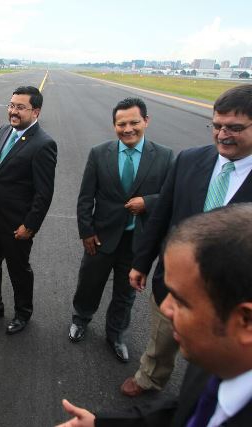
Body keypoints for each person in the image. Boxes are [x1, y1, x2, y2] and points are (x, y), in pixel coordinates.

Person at [57, 203, 252, 427]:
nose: (165, 307)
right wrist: (99, 424)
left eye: (180, 300)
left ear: (245, 321)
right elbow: (185, 410)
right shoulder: (215, 361)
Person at [120, 84, 252, 397]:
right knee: (162, 337)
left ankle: (207, 397)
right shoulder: (189, 160)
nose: (222, 135)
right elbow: (161, 215)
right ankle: (150, 376)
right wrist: (141, 262)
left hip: (234, 297)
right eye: (217, 126)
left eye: (234, 128)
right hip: (176, 281)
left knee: (216, 363)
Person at [68, 98, 173, 362]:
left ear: (146, 121)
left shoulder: (164, 156)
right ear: (114, 125)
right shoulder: (98, 153)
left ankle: (115, 335)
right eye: (121, 124)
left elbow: (172, 196)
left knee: (125, 294)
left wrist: (147, 202)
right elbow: (85, 198)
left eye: (134, 122)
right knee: (89, 283)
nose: (128, 129)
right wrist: (86, 232)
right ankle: (80, 320)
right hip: (100, 237)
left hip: (137, 241)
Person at [0, 86, 57, 335]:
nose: (13, 112)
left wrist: (30, 225)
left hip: (17, 224)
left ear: (35, 111)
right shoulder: (4, 131)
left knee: (18, 270)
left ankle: (22, 314)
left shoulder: (44, 144)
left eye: (20, 107)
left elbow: (44, 193)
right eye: (11, 105)